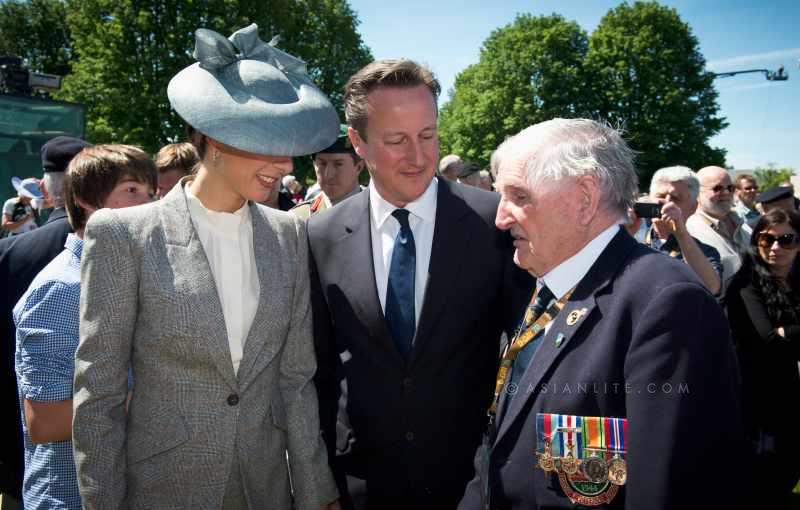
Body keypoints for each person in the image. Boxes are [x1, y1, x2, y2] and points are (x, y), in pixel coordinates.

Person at [71, 24, 340, 510]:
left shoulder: (289, 234)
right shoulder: (123, 235)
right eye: (269, 144)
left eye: (291, 148)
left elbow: (296, 380)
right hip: (163, 489)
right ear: (214, 137)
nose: (286, 166)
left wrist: (317, 493)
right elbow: (99, 396)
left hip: (265, 489)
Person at [458, 119, 743, 510]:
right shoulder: (546, 287)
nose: (501, 217)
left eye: (519, 197)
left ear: (585, 199)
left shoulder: (667, 304)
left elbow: (667, 490)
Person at [308, 59, 533, 510]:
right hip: (362, 483)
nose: (418, 156)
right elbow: (320, 369)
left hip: (471, 480)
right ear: (358, 143)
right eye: (396, 141)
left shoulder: (495, 222)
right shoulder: (321, 235)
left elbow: (528, 355)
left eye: (428, 136)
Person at [13, 145, 155, 510]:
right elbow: (43, 421)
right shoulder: (63, 288)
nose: (150, 204)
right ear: (86, 200)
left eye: (151, 193)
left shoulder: (122, 275)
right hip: (68, 497)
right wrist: (157, 394)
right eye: (131, 191)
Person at [0, 136, 91, 505]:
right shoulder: (109, 252)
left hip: (14, 450)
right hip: (78, 462)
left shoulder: (9, 251)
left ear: (46, 188)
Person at [727, 209, 800, 508]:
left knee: (789, 465)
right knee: (765, 470)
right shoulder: (745, 283)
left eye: (786, 240)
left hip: (788, 386)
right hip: (754, 393)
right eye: (766, 239)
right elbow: (767, 339)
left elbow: (781, 339)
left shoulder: (795, 281)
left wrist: (789, 333)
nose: (775, 247)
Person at [641, 166, 722, 295]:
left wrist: (680, 233)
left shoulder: (705, 252)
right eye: (660, 196)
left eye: (675, 198)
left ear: (693, 207)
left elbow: (712, 288)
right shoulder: (633, 235)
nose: (666, 203)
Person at [686, 165, 749, 293]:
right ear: (697, 193)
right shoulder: (688, 230)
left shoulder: (744, 225)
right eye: (717, 188)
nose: (726, 193)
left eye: (730, 188)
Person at [292, 126, 365, 219]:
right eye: (322, 164)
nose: (328, 174)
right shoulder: (299, 217)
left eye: (338, 164)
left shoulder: (380, 211)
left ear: (359, 167)